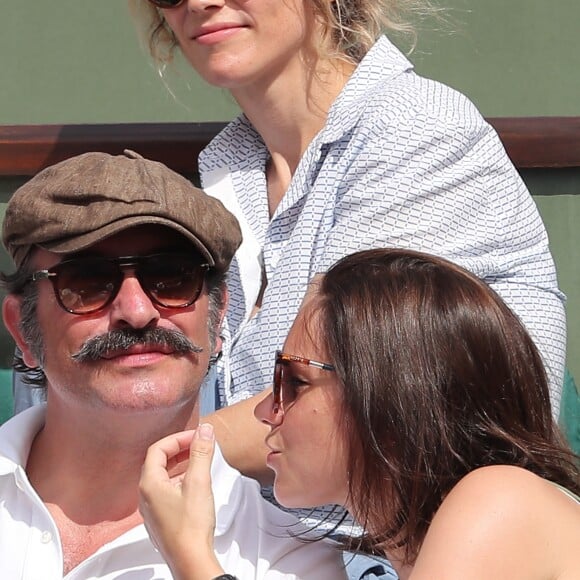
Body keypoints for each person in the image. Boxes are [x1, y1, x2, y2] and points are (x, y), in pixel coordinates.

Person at [0, 151, 346, 579]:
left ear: (218, 321)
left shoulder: (286, 558)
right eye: (87, 283)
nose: (138, 311)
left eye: (172, 277)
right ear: (22, 332)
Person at [140, 248, 580, 580]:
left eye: (294, 382)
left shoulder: (498, 501)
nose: (263, 411)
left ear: (391, 396)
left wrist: (191, 558)